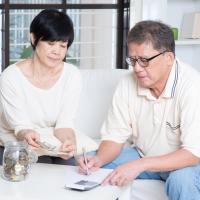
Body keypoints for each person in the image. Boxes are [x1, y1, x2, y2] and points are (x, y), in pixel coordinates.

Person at [78, 20, 200, 200]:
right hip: (144, 154)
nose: (136, 68)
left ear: (169, 58)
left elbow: (193, 154)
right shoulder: (127, 84)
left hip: (186, 162)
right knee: (88, 164)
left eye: (144, 60)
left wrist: (141, 165)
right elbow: (114, 137)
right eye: (133, 60)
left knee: (181, 181)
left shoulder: (192, 86)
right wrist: (100, 159)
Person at [0, 9, 81, 165]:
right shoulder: (11, 77)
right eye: (50, 43)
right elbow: (20, 126)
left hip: (52, 142)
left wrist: (68, 143)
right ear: (34, 38)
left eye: (63, 46)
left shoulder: (72, 75)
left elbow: (64, 124)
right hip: (14, 143)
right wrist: (26, 134)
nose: (56, 51)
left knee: (70, 169)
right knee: (37, 169)